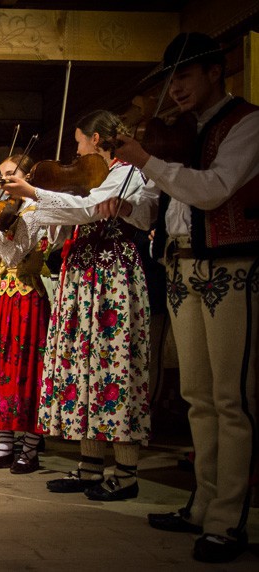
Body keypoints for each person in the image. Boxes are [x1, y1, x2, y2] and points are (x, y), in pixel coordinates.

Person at [114, 32, 259, 564]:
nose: (175, 89)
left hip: (230, 266)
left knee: (231, 397)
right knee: (198, 394)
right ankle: (201, 504)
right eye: (170, 80)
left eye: (185, 77)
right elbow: (160, 208)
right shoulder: (178, 134)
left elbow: (213, 189)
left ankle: (227, 519)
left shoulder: (247, 123)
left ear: (215, 72)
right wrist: (129, 209)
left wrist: (148, 162)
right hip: (179, 263)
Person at [3, 109, 156, 501]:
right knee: (82, 366)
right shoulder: (86, 180)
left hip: (111, 276)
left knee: (113, 365)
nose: (75, 152)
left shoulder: (128, 172)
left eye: (78, 142)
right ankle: (90, 466)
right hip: (81, 275)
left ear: (97, 140)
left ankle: (125, 472)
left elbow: (90, 209)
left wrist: (36, 193)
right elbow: (62, 224)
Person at [0, 154, 52, 474]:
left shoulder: (34, 211)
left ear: (27, 175)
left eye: (8, 175)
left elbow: (15, 256)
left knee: (27, 370)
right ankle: (4, 445)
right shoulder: (9, 211)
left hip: (28, 296)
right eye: (0, 176)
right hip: (3, 296)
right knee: (3, 368)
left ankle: (29, 448)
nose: (3, 182)